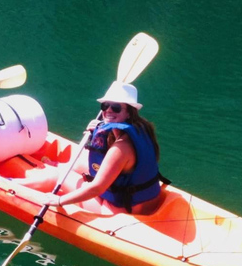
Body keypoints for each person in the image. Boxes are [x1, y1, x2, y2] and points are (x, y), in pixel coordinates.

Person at [44, 81, 165, 215]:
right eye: (105, 105)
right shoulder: (140, 129)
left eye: (116, 107)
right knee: (78, 164)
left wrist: (59, 200)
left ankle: (32, 179)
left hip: (121, 210)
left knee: (58, 175)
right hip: (144, 201)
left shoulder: (122, 147)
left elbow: (97, 188)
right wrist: (96, 133)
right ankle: (58, 164)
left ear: (129, 113)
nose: (108, 110)